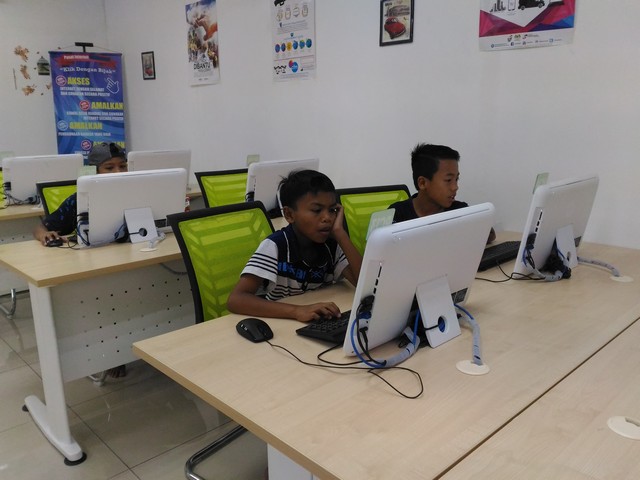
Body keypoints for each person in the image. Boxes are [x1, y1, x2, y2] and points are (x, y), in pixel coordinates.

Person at [227, 169, 362, 322]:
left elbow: (365, 284)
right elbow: (236, 299)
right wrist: (297, 311)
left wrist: (341, 234)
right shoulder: (275, 246)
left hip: (317, 320)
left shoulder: (331, 245)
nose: (328, 218)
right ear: (289, 215)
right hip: (280, 322)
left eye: (332, 210)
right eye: (317, 210)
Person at [389, 143, 496, 243]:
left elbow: (489, 234)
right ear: (422, 183)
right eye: (448, 180)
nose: (455, 187)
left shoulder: (459, 210)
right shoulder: (397, 214)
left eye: (456, 179)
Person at [33, 142, 128, 246]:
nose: (119, 172)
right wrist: (44, 234)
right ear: (95, 171)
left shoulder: (135, 194)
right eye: (109, 168)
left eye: (123, 166)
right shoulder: (80, 200)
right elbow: (40, 228)